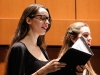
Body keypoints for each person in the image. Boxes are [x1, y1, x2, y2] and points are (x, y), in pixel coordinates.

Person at [4, 4, 67, 75]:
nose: (47, 22)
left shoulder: (42, 50)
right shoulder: (19, 48)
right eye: (42, 18)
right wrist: (44, 70)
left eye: (48, 19)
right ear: (28, 20)